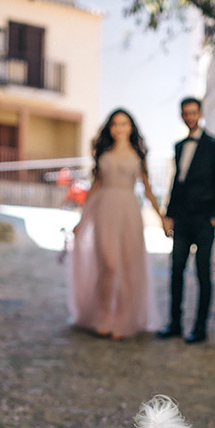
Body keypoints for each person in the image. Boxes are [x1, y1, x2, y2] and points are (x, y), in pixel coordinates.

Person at [69, 109, 162, 340]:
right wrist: (80, 221)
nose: (119, 128)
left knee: (128, 267)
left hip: (129, 210)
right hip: (104, 210)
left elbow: (148, 189)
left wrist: (162, 217)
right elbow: (95, 187)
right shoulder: (104, 152)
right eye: (115, 124)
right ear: (110, 128)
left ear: (131, 128)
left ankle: (122, 319)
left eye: (124, 123)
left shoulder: (138, 155)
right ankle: (101, 316)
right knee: (108, 264)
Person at [158, 97, 215, 343]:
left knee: (202, 273)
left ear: (200, 113)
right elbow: (177, 183)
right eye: (185, 113)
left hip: (203, 221)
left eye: (193, 112)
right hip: (181, 219)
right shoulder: (179, 146)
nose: (189, 117)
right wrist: (168, 215)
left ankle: (200, 328)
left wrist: (214, 218)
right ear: (181, 115)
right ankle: (175, 323)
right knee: (176, 270)